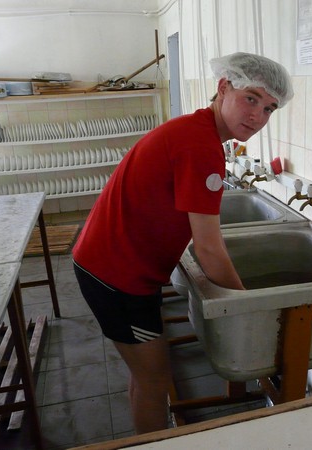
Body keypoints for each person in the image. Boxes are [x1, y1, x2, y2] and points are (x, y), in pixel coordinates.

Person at [72, 52, 293, 434]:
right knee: (154, 380)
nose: (258, 116)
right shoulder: (201, 146)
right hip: (118, 277)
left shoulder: (195, 130)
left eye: (269, 108)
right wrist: (248, 308)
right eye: (251, 98)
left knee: (146, 375)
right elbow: (208, 249)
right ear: (223, 87)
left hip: (109, 264)